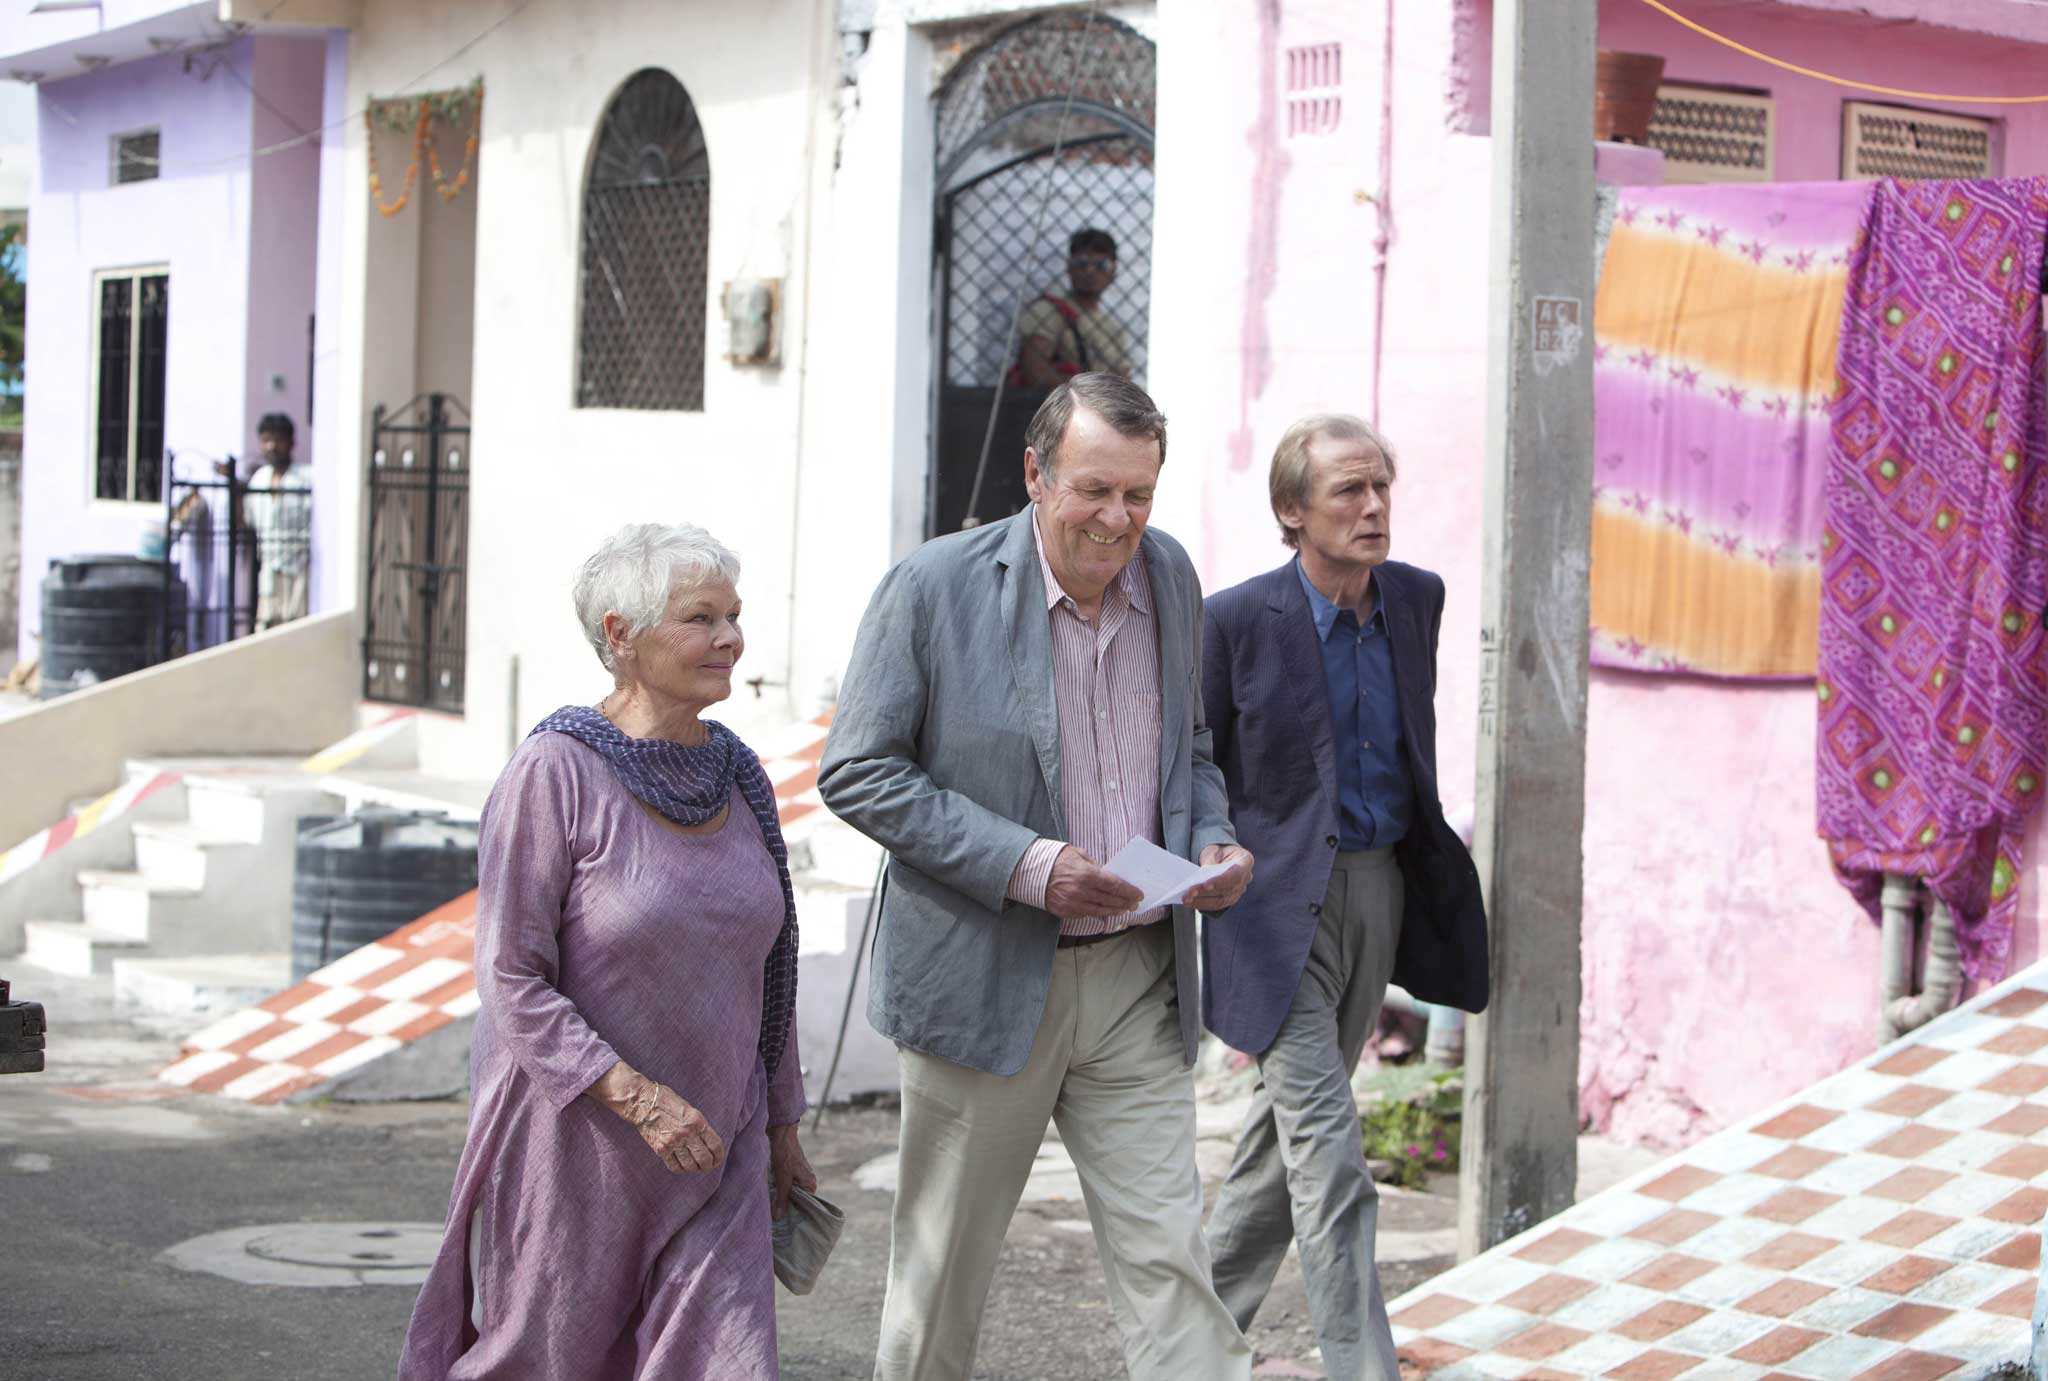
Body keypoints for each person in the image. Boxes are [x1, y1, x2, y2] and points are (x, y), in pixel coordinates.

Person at [821, 373, 1256, 1381]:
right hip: (982, 978)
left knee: (1170, 1265)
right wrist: (1027, 864)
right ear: (1033, 472)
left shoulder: (1173, 578)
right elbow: (857, 770)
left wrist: (1211, 843)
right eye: (1093, 490)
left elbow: (1186, 750)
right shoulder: (933, 587)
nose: (1117, 520)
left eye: (1138, 496)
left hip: (1136, 980)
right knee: (940, 1285)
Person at [398, 523, 816, 1381]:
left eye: (734, 616)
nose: (730, 638)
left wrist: (781, 1122)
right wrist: (637, 1098)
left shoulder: (738, 774)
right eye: (702, 617)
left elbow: (772, 962)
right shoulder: (553, 771)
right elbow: (511, 974)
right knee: (545, 1361)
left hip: (716, 1143)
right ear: (621, 636)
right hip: (579, 1140)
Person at [1199, 415, 1489, 1381]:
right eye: (1347, 493)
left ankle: (1189, 1348)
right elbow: (1195, 760)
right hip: (1274, 911)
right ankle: (1362, 1367)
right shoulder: (1236, 620)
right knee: (1328, 1153)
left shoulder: (1415, 598)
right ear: (1293, 511)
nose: (1372, 509)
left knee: (1275, 1157)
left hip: (1380, 891)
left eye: (1381, 490)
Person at [1012, 228, 1133, 388]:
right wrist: (1093, 396)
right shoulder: (1048, 311)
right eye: (1082, 263)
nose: (1090, 271)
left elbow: (1124, 384)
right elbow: (1036, 373)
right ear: (1069, 267)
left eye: (1101, 265)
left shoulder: (1114, 330)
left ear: (1113, 271)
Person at [247, 413, 310, 628]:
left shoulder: (306, 478)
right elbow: (249, 521)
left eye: (278, 440)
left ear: (291, 443)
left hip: (299, 568)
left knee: (296, 627)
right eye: (266, 440)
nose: (272, 446)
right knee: (266, 625)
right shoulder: (259, 479)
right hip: (269, 567)